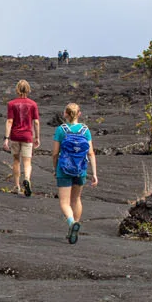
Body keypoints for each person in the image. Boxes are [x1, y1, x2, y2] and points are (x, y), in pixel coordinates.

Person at [50, 102, 98, 243]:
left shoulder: (61, 130)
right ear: (79, 114)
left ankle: (72, 223)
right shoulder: (85, 130)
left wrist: (55, 168)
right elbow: (91, 153)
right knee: (76, 199)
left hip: (64, 169)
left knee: (64, 203)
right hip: (80, 169)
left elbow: (54, 153)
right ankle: (75, 227)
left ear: (65, 114)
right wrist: (94, 173)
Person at [4, 79, 40, 197]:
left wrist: (6, 138)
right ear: (28, 89)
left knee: (16, 161)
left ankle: (16, 186)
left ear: (17, 90)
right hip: (27, 136)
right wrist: (37, 137)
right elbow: (36, 122)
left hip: (15, 136)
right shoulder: (33, 104)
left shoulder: (11, 104)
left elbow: (10, 121)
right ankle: (27, 179)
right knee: (27, 161)